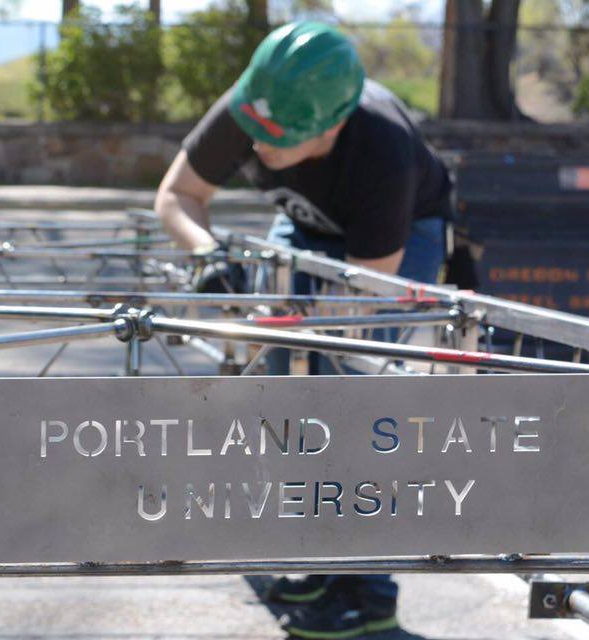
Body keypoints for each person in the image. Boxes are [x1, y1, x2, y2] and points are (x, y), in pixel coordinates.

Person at [154, 21, 454, 639]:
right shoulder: (256, 103)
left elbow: (361, 301)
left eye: (278, 140)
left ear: (332, 124)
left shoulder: (381, 149)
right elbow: (178, 194)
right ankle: (319, 559)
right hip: (307, 226)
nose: (256, 147)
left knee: (348, 393)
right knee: (285, 391)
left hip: (397, 241)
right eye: (253, 132)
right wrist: (208, 255)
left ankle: (367, 593)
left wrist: (280, 324)